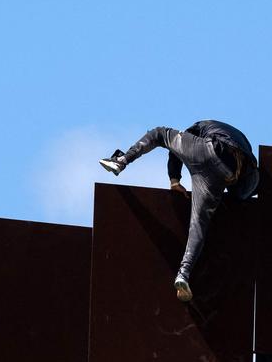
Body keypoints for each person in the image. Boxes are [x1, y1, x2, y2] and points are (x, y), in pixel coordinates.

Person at [99, 120, 258, 302]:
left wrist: (174, 180)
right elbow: (248, 181)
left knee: (160, 133)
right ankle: (183, 274)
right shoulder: (242, 143)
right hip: (227, 173)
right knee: (198, 225)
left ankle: (121, 160)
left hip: (210, 149)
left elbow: (175, 150)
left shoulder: (201, 126)